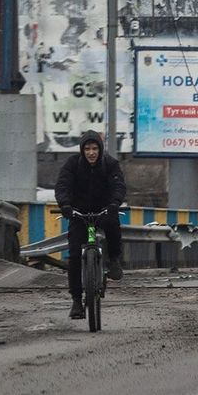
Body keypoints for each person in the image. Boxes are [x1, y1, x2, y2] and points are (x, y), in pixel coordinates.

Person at [54, 130, 126, 320]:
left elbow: (118, 185)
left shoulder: (110, 164)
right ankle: (77, 301)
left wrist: (114, 204)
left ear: (100, 149)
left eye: (95, 148)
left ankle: (115, 260)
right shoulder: (72, 164)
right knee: (75, 256)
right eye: (87, 149)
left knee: (113, 224)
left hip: (103, 211)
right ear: (82, 150)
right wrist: (65, 205)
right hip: (79, 214)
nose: (91, 152)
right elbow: (63, 185)